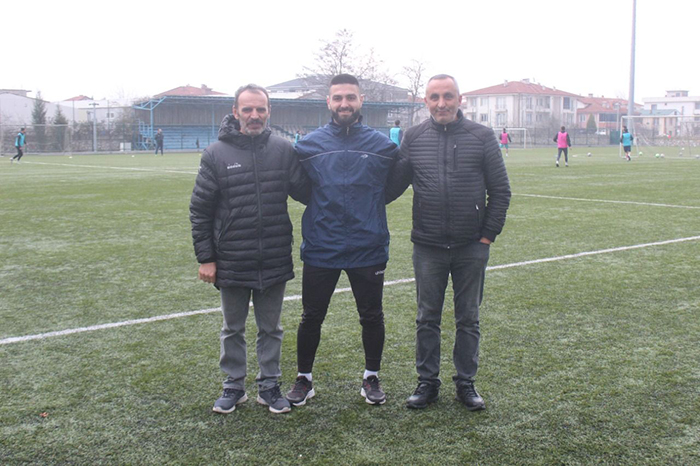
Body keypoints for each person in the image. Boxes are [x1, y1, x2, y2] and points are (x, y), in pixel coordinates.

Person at [386, 74, 511, 411]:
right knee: (427, 318)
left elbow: (501, 191)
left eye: (448, 96)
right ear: (425, 101)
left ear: (459, 99)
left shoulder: (481, 136)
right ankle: (427, 382)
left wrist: (487, 236)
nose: (441, 103)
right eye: (434, 97)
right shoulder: (413, 137)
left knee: (468, 318)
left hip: (471, 246)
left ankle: (465, 383)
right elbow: (393, 186)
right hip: (427, 246)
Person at [189, 84, 309, 415]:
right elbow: (200, 210)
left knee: (271, 328)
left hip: (273, 255)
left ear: (269, 111)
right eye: (247, 109)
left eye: (260, 109)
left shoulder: (283, 150)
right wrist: (206, 258)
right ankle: (233, 386)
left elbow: (307, 192)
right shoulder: (215, 154)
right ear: (235, 112)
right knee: (233, 328)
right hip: (231, 258)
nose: (254, 115)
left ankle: (269, 386)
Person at [285, 74, 399, 407]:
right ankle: (304, 379)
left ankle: (371, 377)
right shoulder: (308, 146)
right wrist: (322, 208)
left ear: (361, 100)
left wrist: (371, 206)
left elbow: (395, 184)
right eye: (338, 98)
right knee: (311, 316)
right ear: (329, 102)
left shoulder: (383, 146)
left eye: (350, 97)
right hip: (322, 245)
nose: (344, 103)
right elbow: (299, 188)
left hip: (369, 246)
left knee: (372, 316)